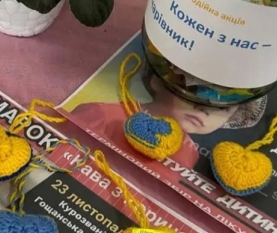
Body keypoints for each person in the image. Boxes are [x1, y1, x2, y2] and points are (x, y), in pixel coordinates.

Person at [70, 63, 266, 171]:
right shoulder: (102, 113)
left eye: (223, 108)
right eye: (194, 90)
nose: (205, 109)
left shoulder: (190, 153)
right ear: (158, 81)